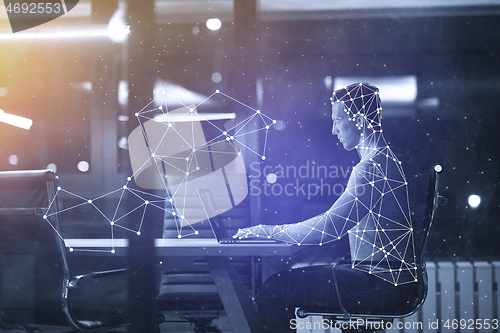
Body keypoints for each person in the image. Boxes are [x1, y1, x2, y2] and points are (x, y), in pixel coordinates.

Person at [234, 83, 425, 333]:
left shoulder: (372, 167)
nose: (334, 130)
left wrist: (267, 231)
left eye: (338, 120)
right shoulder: (384, 161)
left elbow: (330, 228)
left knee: (274, 290)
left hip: (382, 284)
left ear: (358, 120)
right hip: (388, 280)